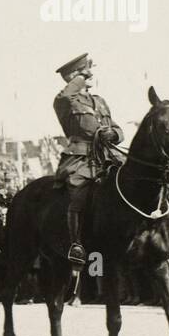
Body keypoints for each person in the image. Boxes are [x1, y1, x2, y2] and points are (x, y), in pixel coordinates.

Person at [52, 52, 124, 266]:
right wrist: (81, 76)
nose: (90, 75)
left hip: (107, 156)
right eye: (84, 72)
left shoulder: (99, 101)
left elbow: (117, 127)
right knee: (78, 195)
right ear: (73, 77)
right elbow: (67, 94)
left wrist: (114, 134)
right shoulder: (64, 101)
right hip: (79, 159)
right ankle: (76, 245)